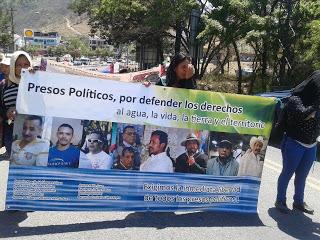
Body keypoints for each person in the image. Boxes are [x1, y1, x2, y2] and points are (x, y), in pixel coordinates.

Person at [275, 71, 320, 214]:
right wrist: (316, 106)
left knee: (302, 176)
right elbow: (302, 115)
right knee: (287, 173)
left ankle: (298, 202)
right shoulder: (296, 99)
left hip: (311, 145)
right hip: (294, 143)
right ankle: (280, 200)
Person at [0, 51, 32, 155]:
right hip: (11, 132)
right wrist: (7, 112)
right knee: (17, 166)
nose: (23, 67)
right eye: (18, 65)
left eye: (26, 64)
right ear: (13, 66)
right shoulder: (4, 85)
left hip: (32, 132)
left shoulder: (37, 83)